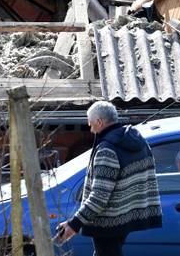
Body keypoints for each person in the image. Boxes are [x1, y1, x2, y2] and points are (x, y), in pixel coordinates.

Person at [58, 101, 162, 256]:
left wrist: (74, 225)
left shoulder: (107, 149)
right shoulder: (138, 141)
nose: (91, 130)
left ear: (99, 122)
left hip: (106, 223)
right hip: (125, 218)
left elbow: (99, 197)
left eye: (91, 125)